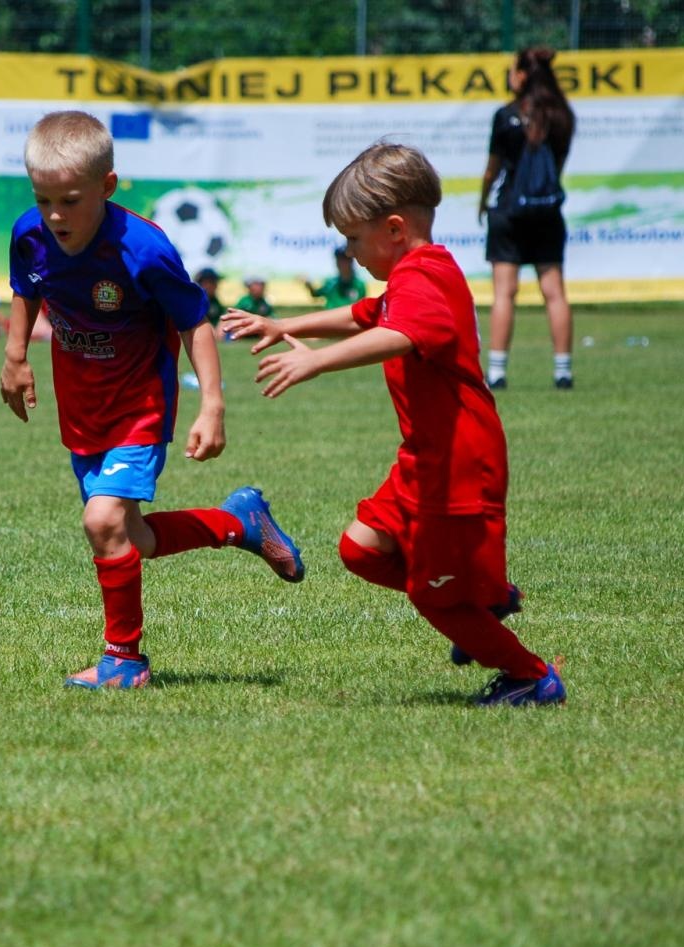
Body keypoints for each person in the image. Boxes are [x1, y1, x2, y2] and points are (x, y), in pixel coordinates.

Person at [222, 140, 565, 706]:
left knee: (437, 601)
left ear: (396, 229)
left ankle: (530, 675)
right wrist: (286, 325)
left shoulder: (425, 274)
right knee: (361, 549)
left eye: (354, 238)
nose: (351, 252)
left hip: (458, 461)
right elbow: (367, 315)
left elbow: (397, 334)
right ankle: (480, 600)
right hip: (426, 456)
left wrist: (313, 362)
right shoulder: (410, 277)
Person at [0, 110, 305, 689]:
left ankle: (125, 659)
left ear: (107, 187)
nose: (55, 215)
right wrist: (16, 355)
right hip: (81, 408)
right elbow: (25, 288)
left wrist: (211, 404)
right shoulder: (30, 234)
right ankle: (238, 522)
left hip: (139, 405)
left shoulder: (143, 249)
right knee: (129, 536)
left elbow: (196, 324)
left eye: (68, 199)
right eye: (43, 200)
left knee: (102, 519)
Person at [478, 46, 576, 390]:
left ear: (522, 75)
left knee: (505, 292)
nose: (509, 77)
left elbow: (493, 169)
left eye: (512, 71)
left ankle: (497, 371)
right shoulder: (562, 116)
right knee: (554, 291)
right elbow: (557, 168)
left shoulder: (506, 116)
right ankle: (563, 371)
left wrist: (482, 200)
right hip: (547, 211)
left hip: (509, 210)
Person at [300, 246, 368, 309]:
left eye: (344, 260)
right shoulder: (331, 283)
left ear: (351, 262)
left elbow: (362, 309)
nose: (340, 263)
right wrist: (309, 285)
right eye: (338, 260)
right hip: (330, 320)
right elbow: (315, 294)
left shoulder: (359, 285)